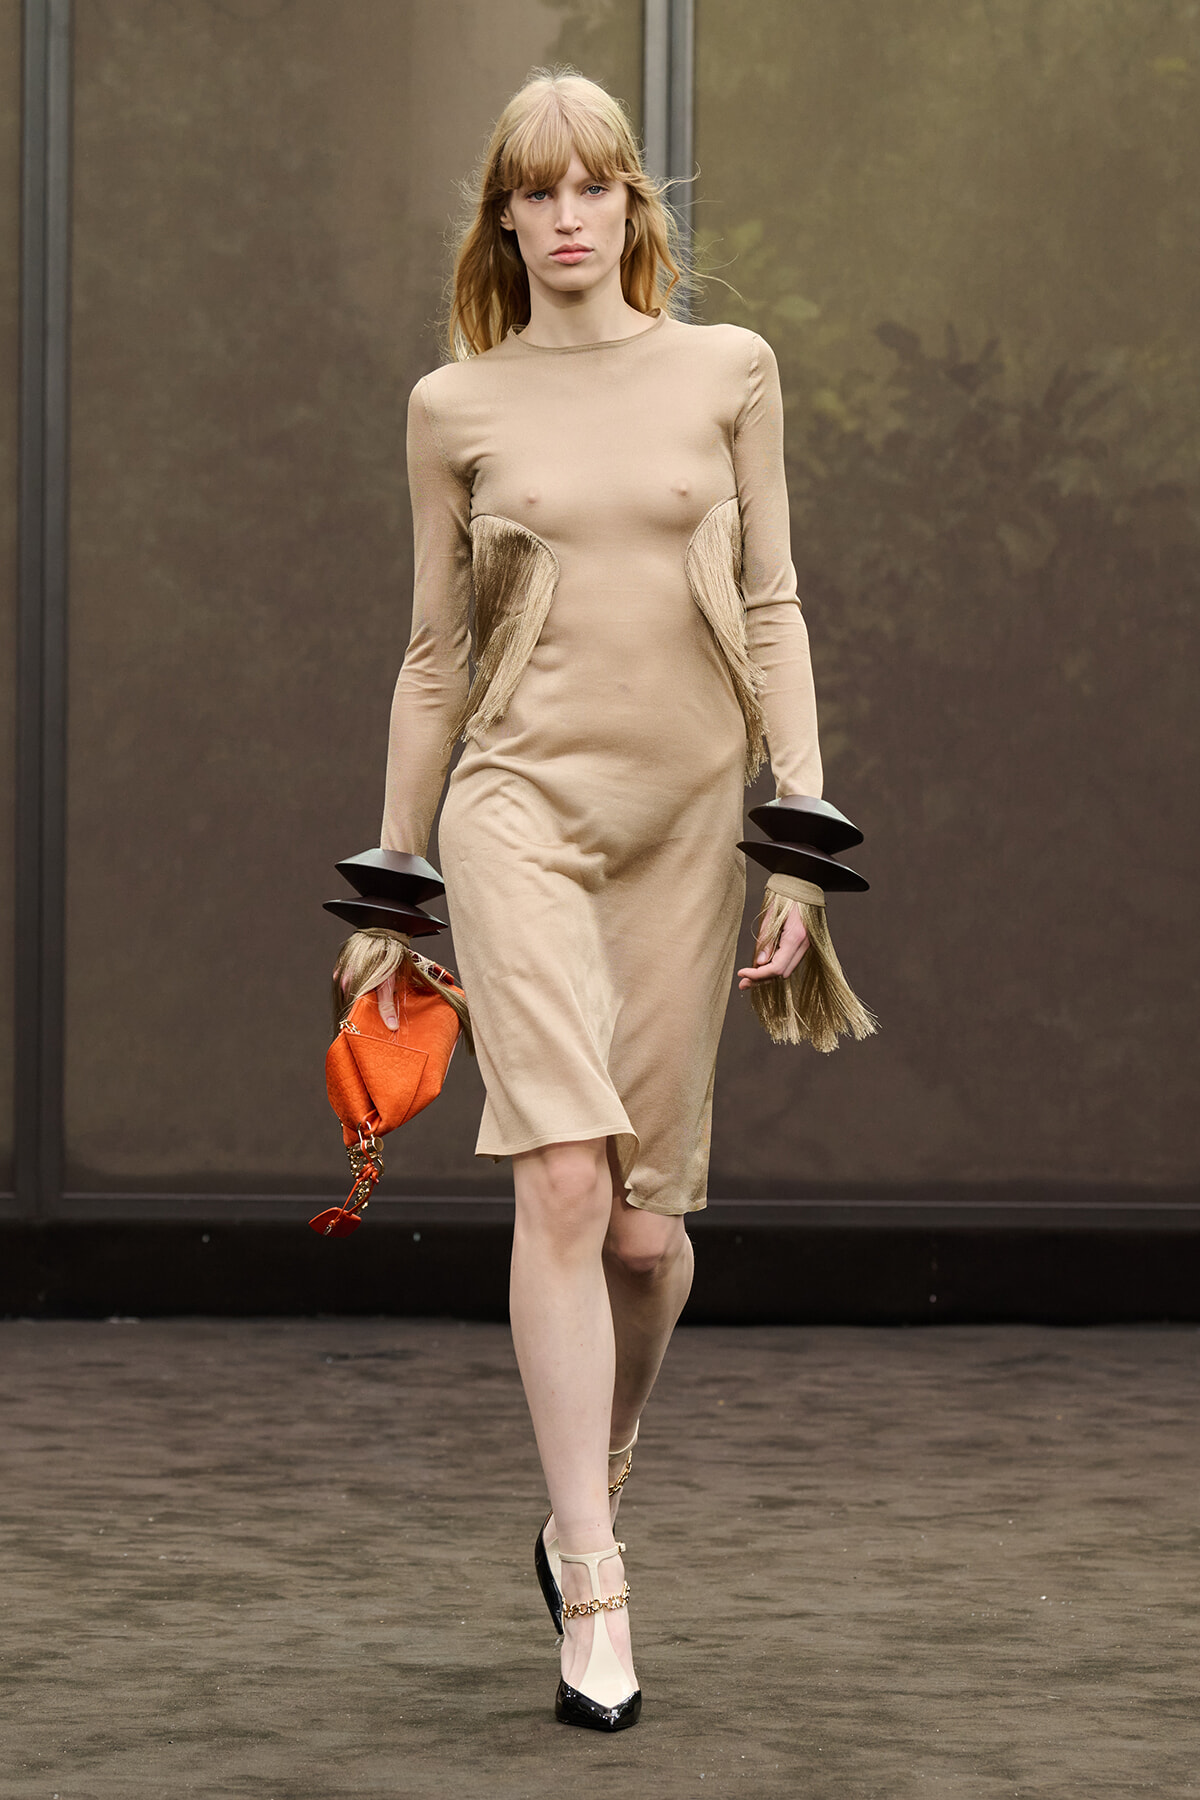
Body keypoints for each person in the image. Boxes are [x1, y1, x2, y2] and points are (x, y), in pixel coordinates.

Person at [357, 68, 823, 1730]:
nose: (566, 217)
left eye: (593, 187)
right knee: (560, 1178)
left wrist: (801, 841)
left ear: (633, 205)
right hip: (517, 811)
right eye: (534, 192)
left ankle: (598, 1471)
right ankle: (595, 1575)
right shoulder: (455, 405)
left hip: (689, 825)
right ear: (503, 218)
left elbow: (771, 602)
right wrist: (393, 884)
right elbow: (436, 655)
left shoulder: (728, 369)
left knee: (643, 1235)